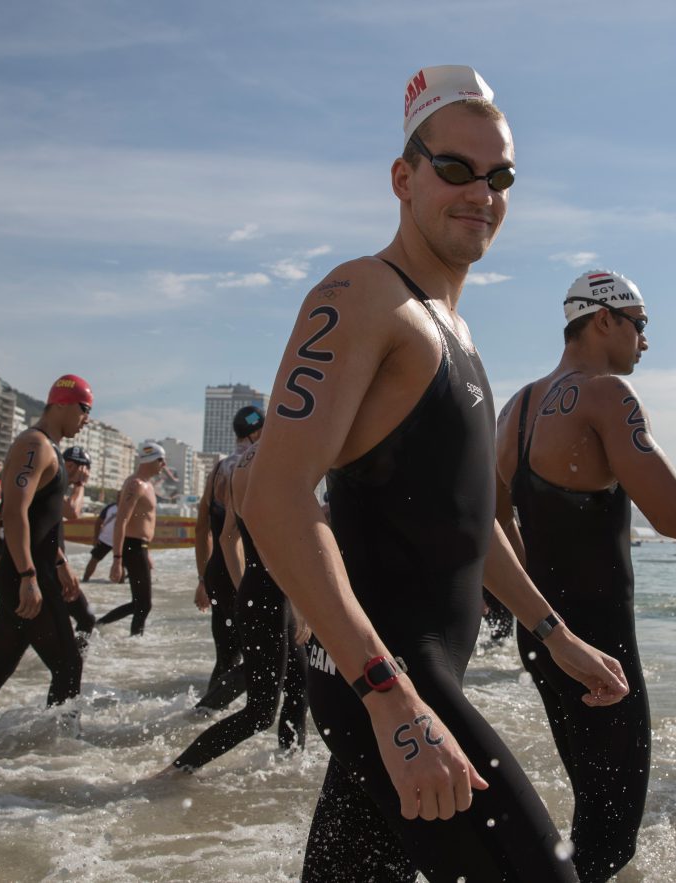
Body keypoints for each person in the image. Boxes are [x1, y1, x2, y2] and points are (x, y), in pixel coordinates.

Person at [241, 65, 628, 882]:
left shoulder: (451, 326)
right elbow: (271, 494)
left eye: (500, 176)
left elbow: (464, 518)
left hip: (402, 681)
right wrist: (391, 697)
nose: (480, 191)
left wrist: (553, 633)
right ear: (403, 177)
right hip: (386, 677)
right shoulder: (360, 296)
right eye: (455, 168)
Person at [494, 269, 676, 882]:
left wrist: (542, 616)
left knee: (590, 807)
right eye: (642, 325)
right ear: (604, 320)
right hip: (600, 644)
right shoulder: (607, 394)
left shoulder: (517, 408)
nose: (646, 341)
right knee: (612, 832)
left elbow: (495, 527)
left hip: (543, 634)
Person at [165, 438, 309, 772]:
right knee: (259, 713)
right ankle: (176, 770)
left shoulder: (244, 464)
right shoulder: (281, 457)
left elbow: (229, 536)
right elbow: (284, 539)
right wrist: (302, 602)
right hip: (274, 595)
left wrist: (246, 585)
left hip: (264, 592)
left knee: (300, 684)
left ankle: (289, 767)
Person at [0, 376, 91, 716]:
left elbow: (41, 519)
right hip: (27, 573)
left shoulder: (50, 449)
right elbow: (14, 512)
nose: (86, 418)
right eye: (84, 409)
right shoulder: (35, 444)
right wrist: (28, 575)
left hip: (34, 569)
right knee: (68, 665)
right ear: (61, 403)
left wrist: (60, 561)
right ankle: (58, 748)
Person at [192, 406, 263, 710]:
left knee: (227, 654)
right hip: (242, 571)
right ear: (256, 432)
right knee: (262, 657)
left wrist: (202, 578)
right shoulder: (254, 464)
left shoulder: (218, 467)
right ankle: (207, 714)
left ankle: (203, 713)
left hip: (217, 571)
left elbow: (202, 527)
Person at [96, 440, 164, 636]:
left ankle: (100, 626)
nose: (164, 465)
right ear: (150, 460)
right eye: (161, 460)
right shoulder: (135, 484)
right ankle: (125, 635)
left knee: (141, 603)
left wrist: (147, 551)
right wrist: (117, 560)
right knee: (144, 604)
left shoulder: (148, 486)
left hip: (140, 547)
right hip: (132, 547)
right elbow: (121, 521)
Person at [60, 446, 97, 638]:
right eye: (85, 469)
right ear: (70, 465)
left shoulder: (55, 483)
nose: (87, 474)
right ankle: (74, 663)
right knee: (86, 619)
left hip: (47, 564)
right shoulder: (51, 481)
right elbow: (73, 511)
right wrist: (80, 484)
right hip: (46, 566)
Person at [82, 499, 118, 583]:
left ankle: (119, 587)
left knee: (121, 564)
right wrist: (95, 537)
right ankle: (84, 580)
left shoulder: (129, 507)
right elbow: (98, 522)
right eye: (119, 495)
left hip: (121, 541)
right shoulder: (110, 507)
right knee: (94, 559)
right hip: (104, 539)